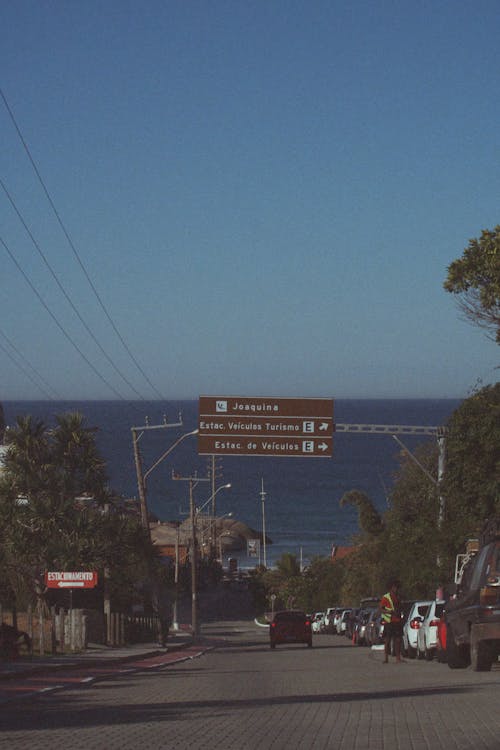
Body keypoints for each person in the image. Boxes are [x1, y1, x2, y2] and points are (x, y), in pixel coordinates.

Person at [379, 579, 404, 663]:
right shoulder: (386, 597)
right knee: (387, 640)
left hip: (397, 621)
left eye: (397, 587)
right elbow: (381, 609)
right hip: (389, 621)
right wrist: (389, 612)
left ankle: (398, 658)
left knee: (398, 640)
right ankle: (386, 658)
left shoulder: (399, 597)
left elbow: (401, 607)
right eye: (394, 587)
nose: (396, 589)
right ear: (391, 588)